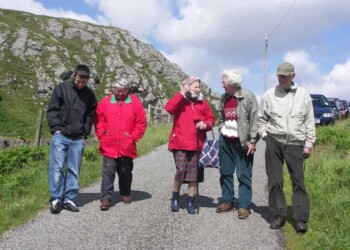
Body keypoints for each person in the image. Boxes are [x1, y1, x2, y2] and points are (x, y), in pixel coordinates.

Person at [257, 62, 316, 233]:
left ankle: (300, 218)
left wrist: (308, 143)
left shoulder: (303, 95)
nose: (281, 79)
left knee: (298, 181)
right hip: (274, 140)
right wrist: (265, 135)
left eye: (285, 76)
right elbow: (261, 118)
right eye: (279, 76)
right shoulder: (269, 95)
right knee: (275, 179)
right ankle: (278, 215)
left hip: (296, 142)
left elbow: (309, 121)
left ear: (293, 76)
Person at [47, 64, 97, 214]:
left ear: (88, 80)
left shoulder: (89, 94)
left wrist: (85, 133)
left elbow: (90, 114)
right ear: (74, 76)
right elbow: (53, 109)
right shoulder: (62, 88)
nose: (81, 84)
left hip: (77, 138)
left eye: (84, 82)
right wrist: (55, 128)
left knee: (74, 169)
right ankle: (56, 199)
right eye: (78, 81)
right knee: (56, 168)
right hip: (60, 135)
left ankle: (69, 199)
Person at [94, 78, 147, 211]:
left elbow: (141, 123)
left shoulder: (135, 103)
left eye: (122, 91)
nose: (119, 94)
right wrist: (102, 134)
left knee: (125, 171)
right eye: (117, 91)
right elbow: (98, 120)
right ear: (113, 89)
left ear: (128, 90)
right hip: (109, 143)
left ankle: (125, 193)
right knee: (108, 171)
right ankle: (105, 198)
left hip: (126, 144)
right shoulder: (105, 102)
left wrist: (132, 137)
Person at [165, 76, 215, 214]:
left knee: (194, 175)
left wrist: (206, 124)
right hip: (179, 142)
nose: (198, 89)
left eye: (199, 87)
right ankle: (175, 196)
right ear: (187, 86)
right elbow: (169, 108)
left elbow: (211, 119)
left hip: (196, 143)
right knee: (180, 171)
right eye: (196, 86)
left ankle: (190, 201)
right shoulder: (181, 100)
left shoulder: (202, 103)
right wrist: (181, 93)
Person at [216, 69, 259, 219]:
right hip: (225, 141)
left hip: (243, 142)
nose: (222, 85)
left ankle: (244, 205)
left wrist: (252, 141)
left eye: (224, 82)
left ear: (233, 83)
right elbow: (221, 117)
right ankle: (228, 201)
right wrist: (222, 129)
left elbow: (255, 120)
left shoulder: (247, 96)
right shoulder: (223, 98)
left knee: (244, 174)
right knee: (225, 172)